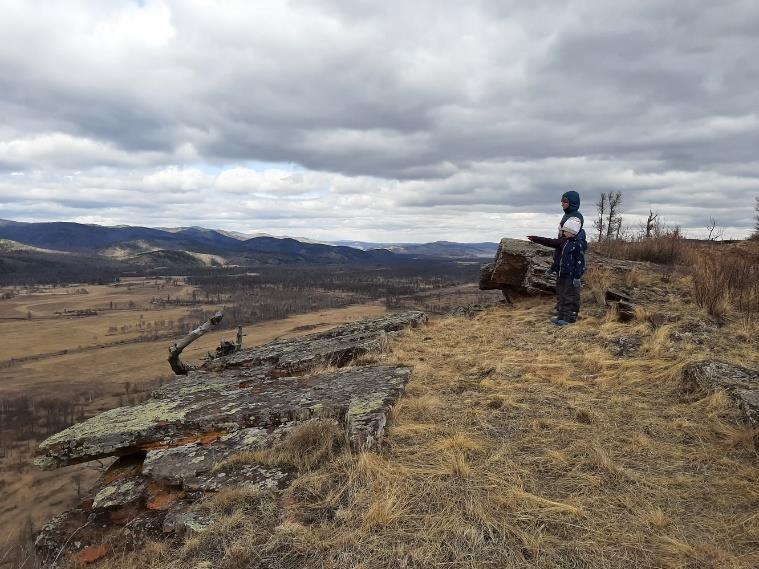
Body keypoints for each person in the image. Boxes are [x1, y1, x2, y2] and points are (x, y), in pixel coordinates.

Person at [527, 217, 587, 325]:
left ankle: (569, 319)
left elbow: (580, 262)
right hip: (562, 274)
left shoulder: (577, 245)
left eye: (565, 231)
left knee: (569, 297)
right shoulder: (565, 242)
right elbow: (558, 256)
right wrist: (553, 268)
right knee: (561, 295)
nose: (563, 232)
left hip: (570, 276)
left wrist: (577, 277)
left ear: (572, 232)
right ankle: (561, 316)